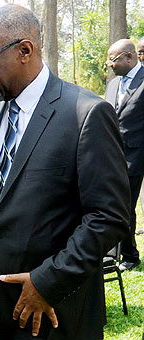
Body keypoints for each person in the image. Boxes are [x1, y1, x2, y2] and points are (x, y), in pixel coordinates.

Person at [0, 5, 130, 340]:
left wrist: (47, 281)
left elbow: (108, 217)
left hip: (54, 315)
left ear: (24, 50)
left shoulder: (85, 114)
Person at [105, 39, 144, 269]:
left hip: (136, 156)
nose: (109, 64)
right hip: (113, 156)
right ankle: (114, 254)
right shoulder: (113, 85)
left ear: (129, 57)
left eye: (113, 59)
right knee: (114, 206)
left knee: (125, 207)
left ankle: (129, 256)